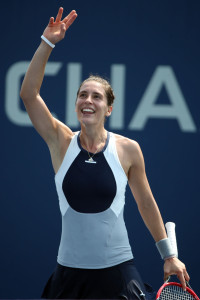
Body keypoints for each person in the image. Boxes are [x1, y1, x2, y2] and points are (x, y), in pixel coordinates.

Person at [20, 7, 190, 299]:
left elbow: (146, 203)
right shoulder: (60, 141)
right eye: (82, 95)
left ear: (108, 109)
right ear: (76, 105)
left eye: (96, 96)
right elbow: (29, 94)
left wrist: (168, 254)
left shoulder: (127, 149)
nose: (88, 100)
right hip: (68, 275)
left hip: (118, 273)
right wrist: (46, 43)